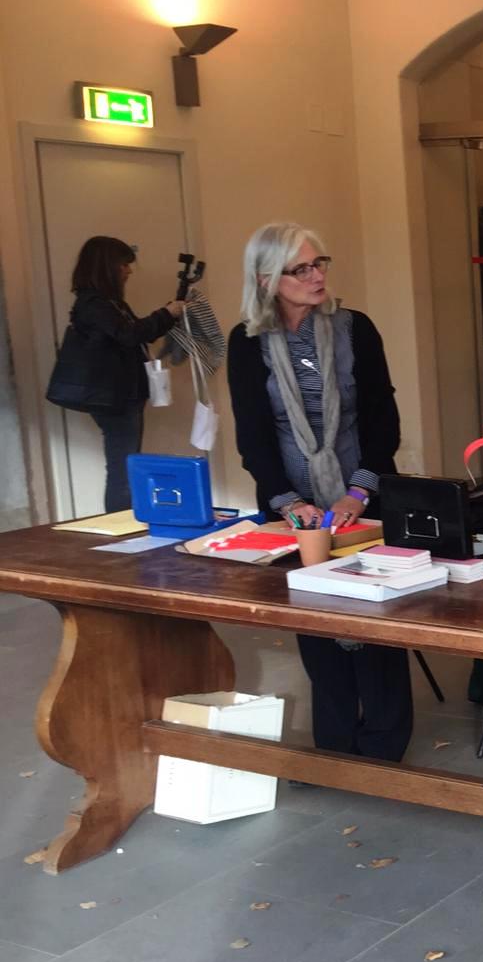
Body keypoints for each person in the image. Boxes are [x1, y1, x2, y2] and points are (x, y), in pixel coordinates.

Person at [226, 222, 413, 763]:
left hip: (365, 496)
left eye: (319, 263)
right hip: (292, 505)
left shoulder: (356, 329)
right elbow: (253, 434)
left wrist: (359, 492)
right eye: (301, 268)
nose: (316, 275)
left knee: (376, 620)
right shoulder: (247, 342)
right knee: (313, 622)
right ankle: (334, 746)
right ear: (267, 280)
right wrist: (289, 502)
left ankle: (384, 749)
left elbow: (382, 420)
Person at [59, 237, 184, 512]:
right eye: (123, 264)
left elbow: (137, 333)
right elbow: (129, 334)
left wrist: (168, 315)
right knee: (123, 470)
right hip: (115, 398)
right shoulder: (94, 304)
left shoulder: (107, 303)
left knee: (125, 466)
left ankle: (125, 523)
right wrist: (166, 313)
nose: (128, 270)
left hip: (122, 396)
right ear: (107, 266)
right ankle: (121, 524)